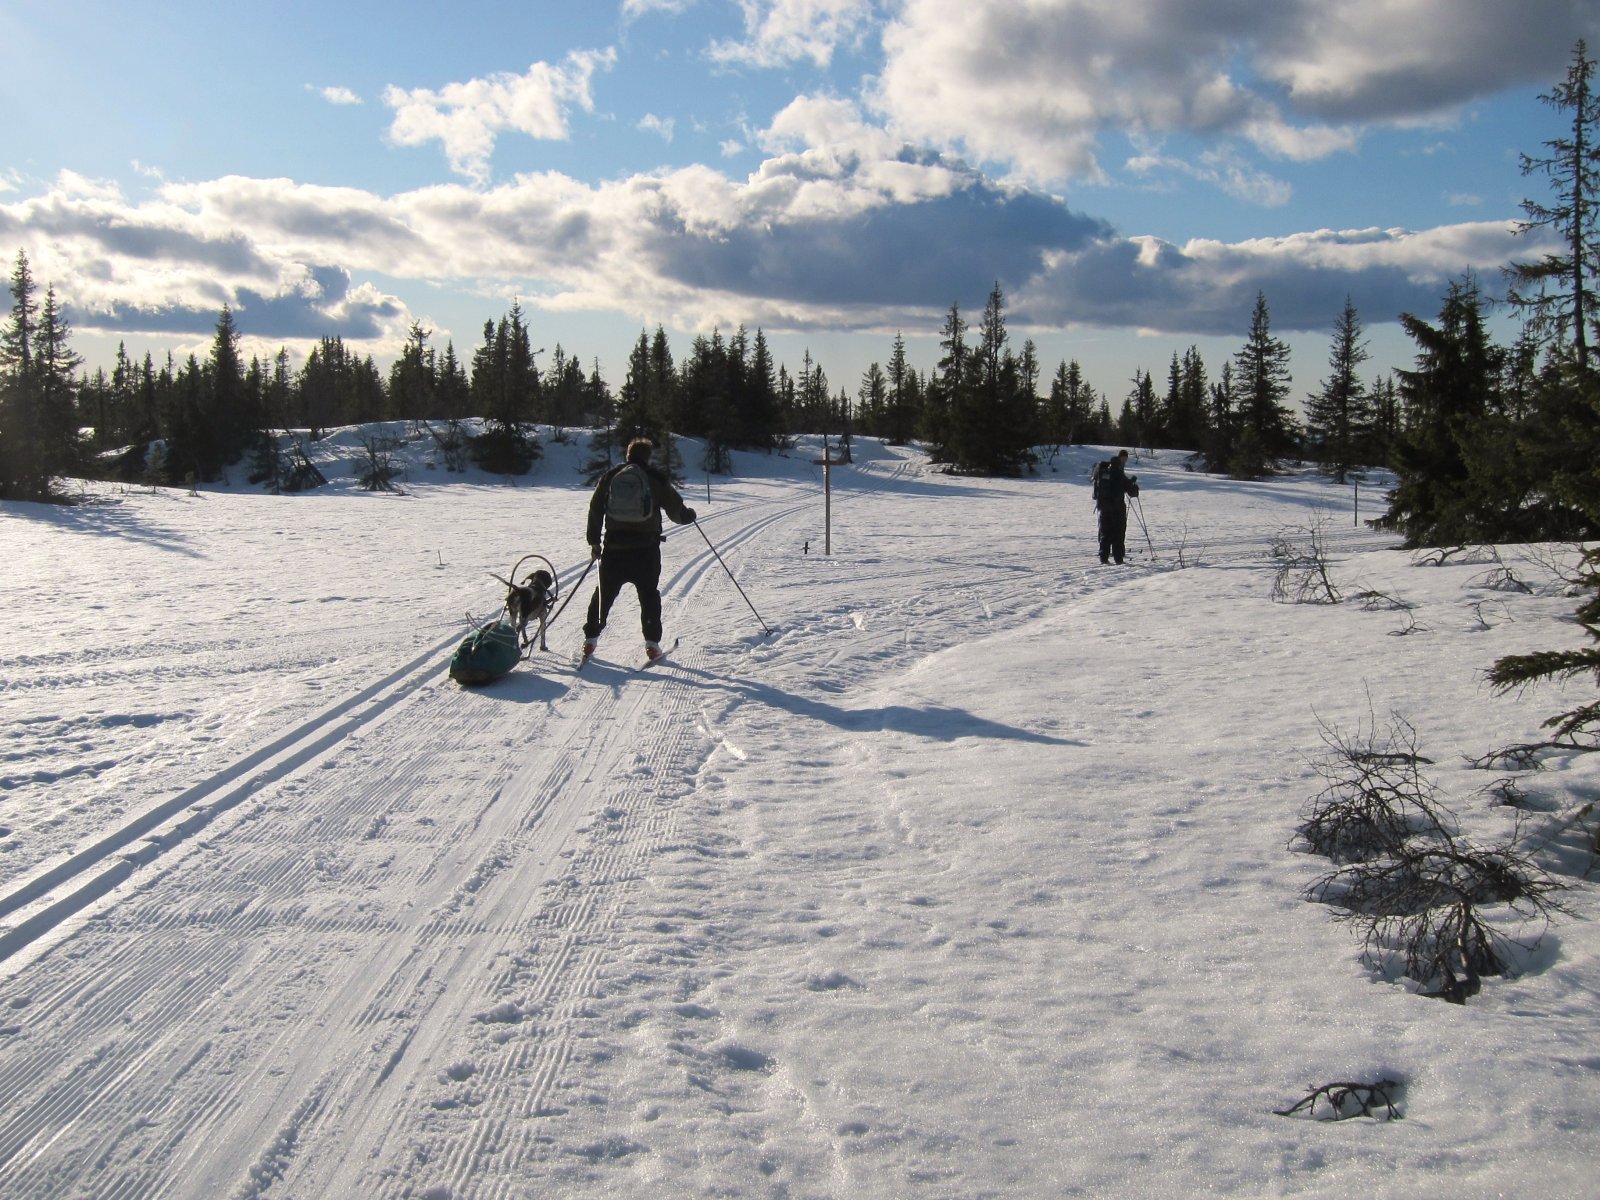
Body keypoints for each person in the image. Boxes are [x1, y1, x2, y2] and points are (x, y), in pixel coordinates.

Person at [583, 438, 696, 660]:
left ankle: (590, 640)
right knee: (648, 595)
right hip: (646, 550)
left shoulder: (611, 476)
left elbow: (595, 508)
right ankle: (652, 644)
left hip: (614, 549)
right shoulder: (655, 478)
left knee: (604, 594)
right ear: (648, 456)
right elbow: (676, 510)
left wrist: (594, 542)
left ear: (628, 454)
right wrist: (688, 516)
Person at [1095, 449, 1140, 565]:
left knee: (1105, 532)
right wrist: (1135, 487)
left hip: (1104, 508)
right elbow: (1131, 492)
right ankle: (1118, 558)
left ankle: (1103, 557)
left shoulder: (1104, 473)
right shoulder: (1119, 474)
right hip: (1117, 509)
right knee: (1118, 533)